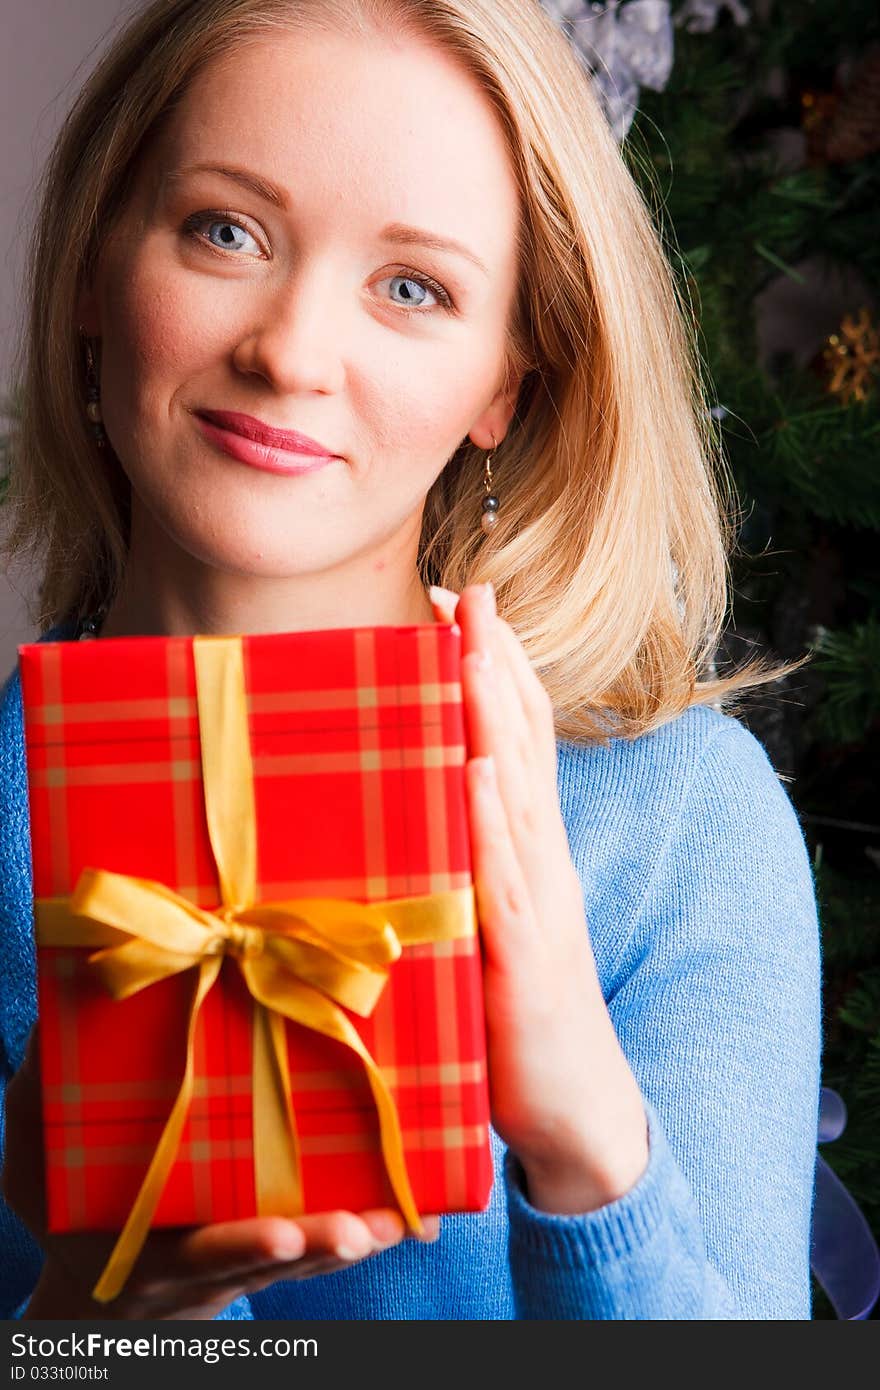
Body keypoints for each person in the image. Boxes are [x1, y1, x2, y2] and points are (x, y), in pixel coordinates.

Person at [0, 0, 821, 1320]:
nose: (290, 351)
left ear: (507, 380)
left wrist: (588, 1143)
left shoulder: (683, 826)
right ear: (98, 263)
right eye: (226, 229)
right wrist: (101, 1325)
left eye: (413, 288)